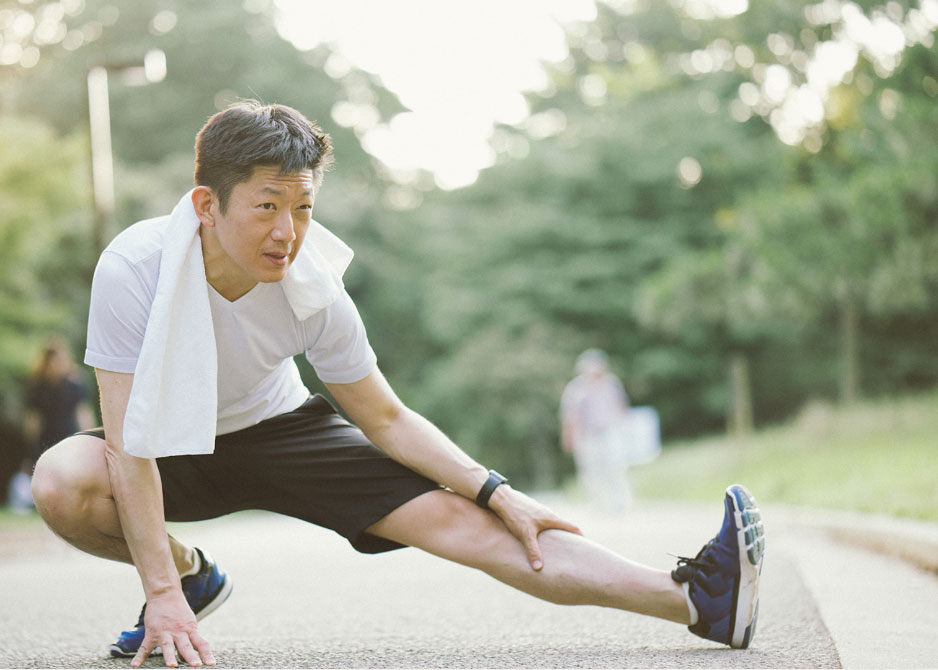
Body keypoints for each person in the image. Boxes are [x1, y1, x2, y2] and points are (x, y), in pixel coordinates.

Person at [30, 101, 765, 668]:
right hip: (171, 438)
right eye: (267, 206)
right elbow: (129, 444)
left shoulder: (313, 286)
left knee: (468, 525)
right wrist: (161, 592)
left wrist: (493, 490)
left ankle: (700, 600)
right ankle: (192, 577)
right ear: (206, 206)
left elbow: (385, 416)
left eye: (304, 206)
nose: (288, 230)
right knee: (63, 481)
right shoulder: (135, 269)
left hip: (279, 427)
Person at [10, 337, 94, 510]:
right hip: (46, 438)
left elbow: (82, 413)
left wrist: (89, 437)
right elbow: (33, 420)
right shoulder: (38, 387)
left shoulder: (74, 385)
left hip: (68, 436)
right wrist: (30, 445)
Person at [560, 349, 632, 513]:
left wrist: (624, 429)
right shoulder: (576, 388)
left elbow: (621, 406)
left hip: (610, 432)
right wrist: (568, 437)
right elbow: (569, 415)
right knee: (590, 471)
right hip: (587, 435)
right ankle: (596, 504)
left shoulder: (612, 383)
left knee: (616, 467)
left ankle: (620, 503)